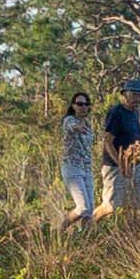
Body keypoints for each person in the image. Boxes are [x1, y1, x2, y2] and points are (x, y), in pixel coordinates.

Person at [103, 78, 140, 219]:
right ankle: (88, 224)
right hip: (115, 166)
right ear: (125, 94)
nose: (137, 98)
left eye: (139, 95)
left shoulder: (135, 113)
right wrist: (120, 164)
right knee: (111, 206)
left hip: (135, 163)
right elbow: (107, 141)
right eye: (133, 94)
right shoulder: (116, 112)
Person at [59, 92, 99, 222]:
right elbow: (73, 127)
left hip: (86, 169)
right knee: (82, 207)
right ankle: (60, 230)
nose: (83, 107)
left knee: (89, 211)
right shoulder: (69, 120)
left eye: (86, 104)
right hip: (72, 167)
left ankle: (85, 240)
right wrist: (78, 126)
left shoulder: (88, 124)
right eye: (80, 104)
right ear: (73, 106)